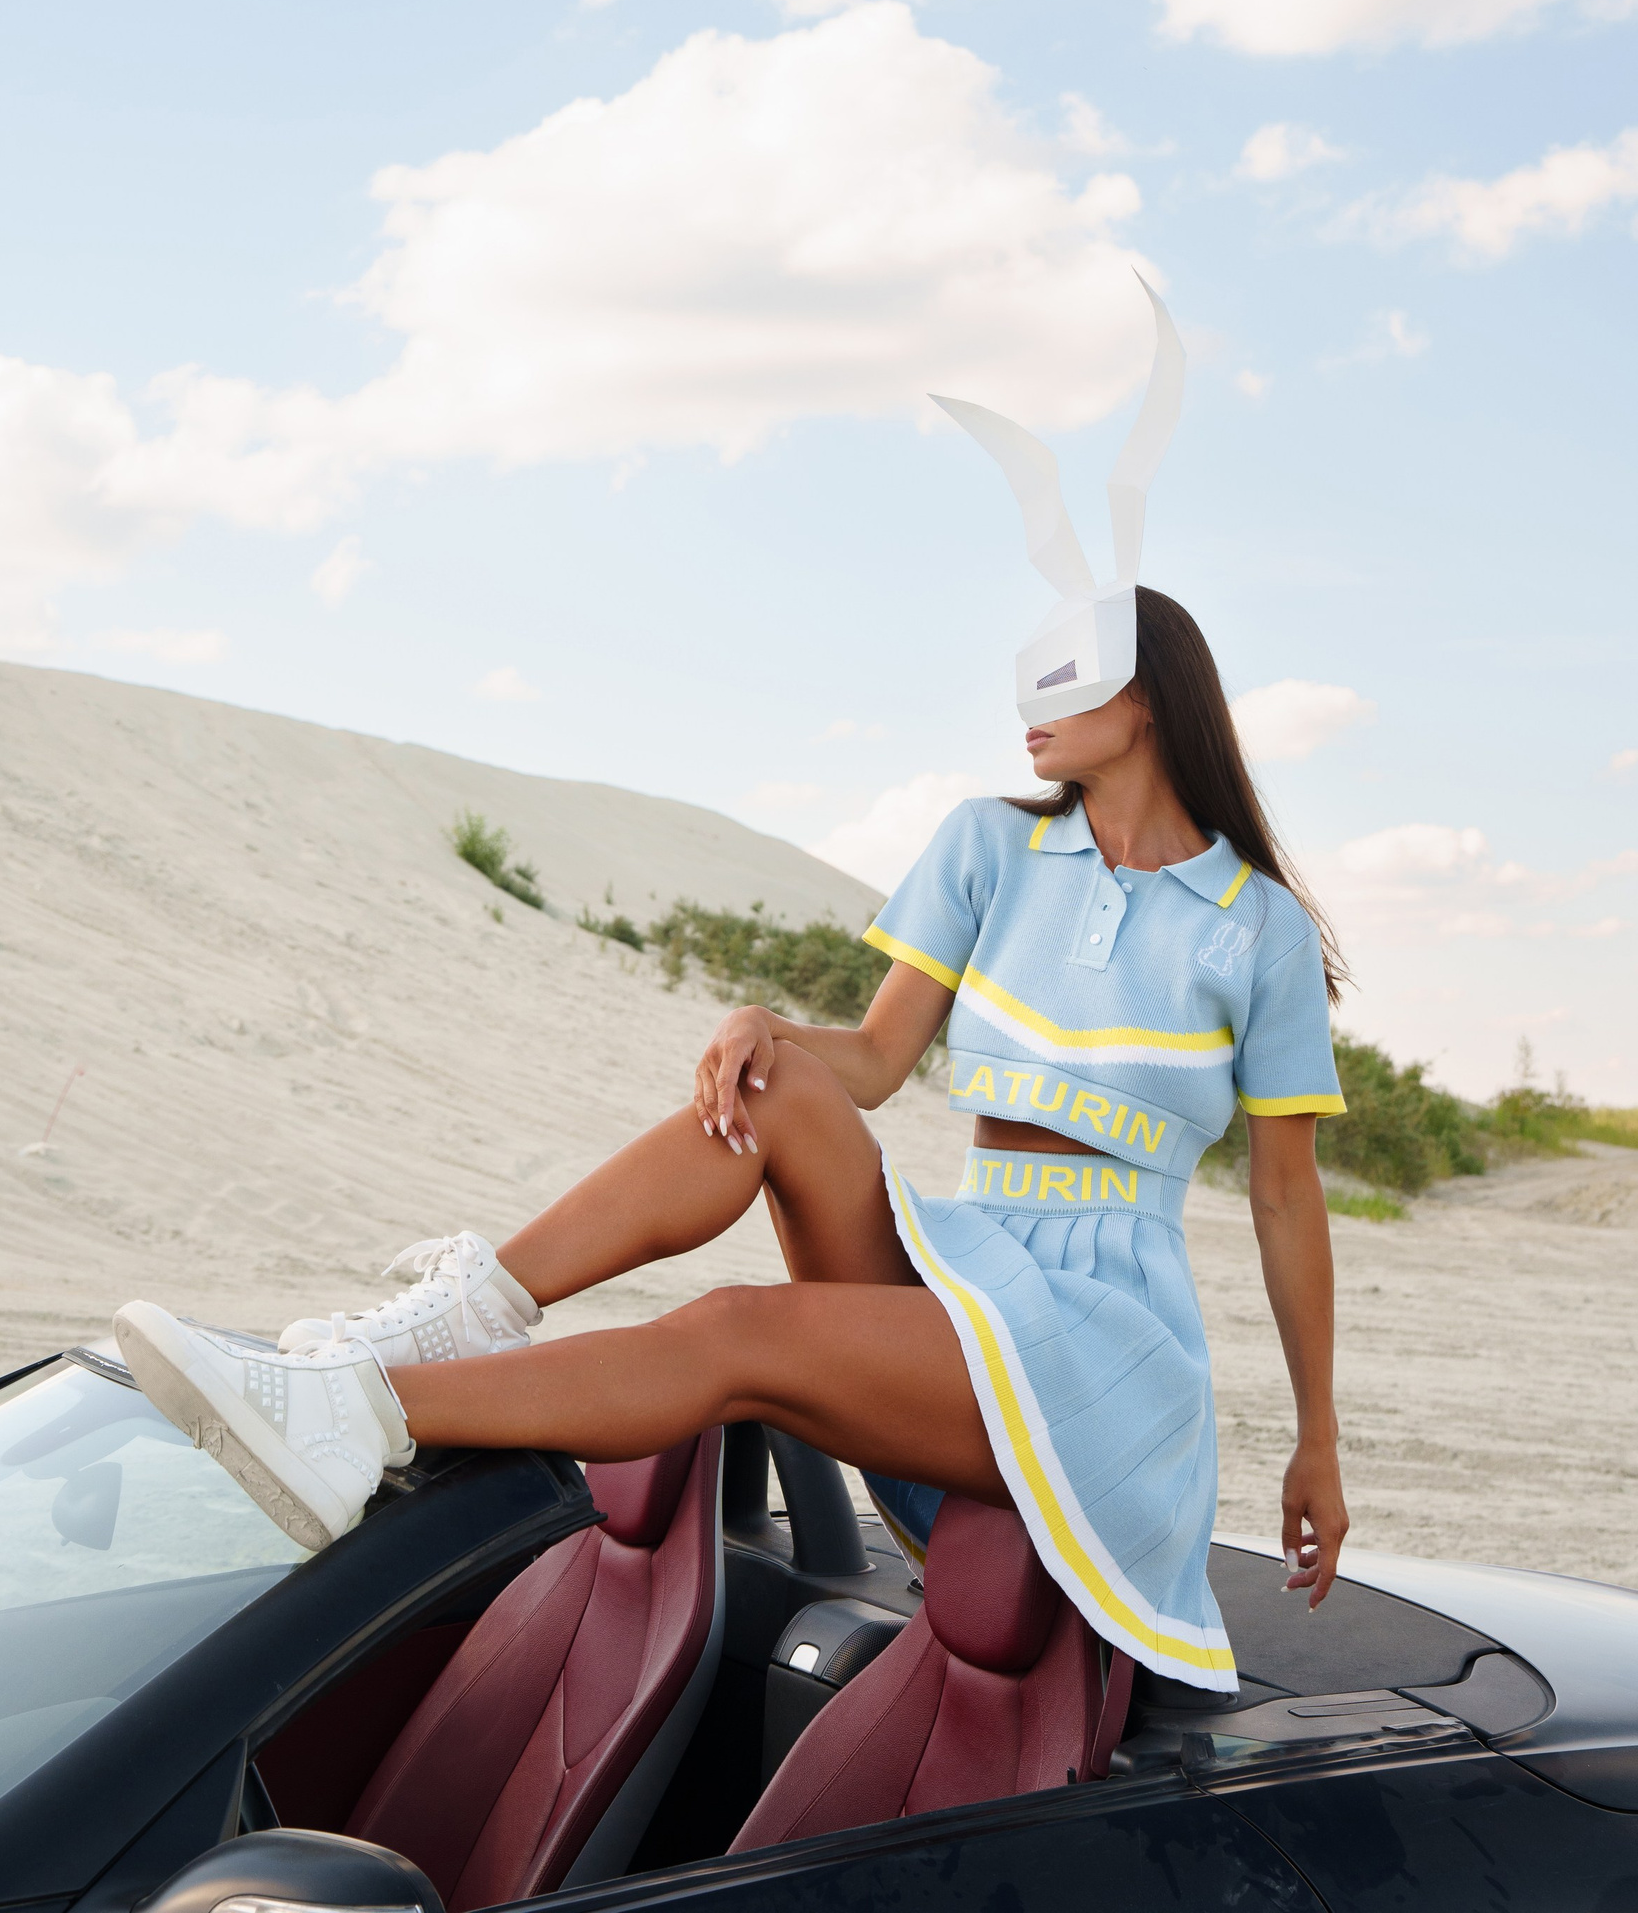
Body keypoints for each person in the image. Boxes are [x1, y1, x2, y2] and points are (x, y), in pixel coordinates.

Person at [117, 289, 1350, 1692]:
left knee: (734, 1330)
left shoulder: (1254, 930)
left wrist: (1317, 1438)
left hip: (1099, 1340)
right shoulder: (989, 849)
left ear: (1145, 696)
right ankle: (468, 1310)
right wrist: (769, 1027)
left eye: (1063, 677)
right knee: (771, 1084)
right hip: (968, 1260)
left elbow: (1285, 1200)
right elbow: (873, 1062)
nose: (1029, 705)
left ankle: (365, 1412)